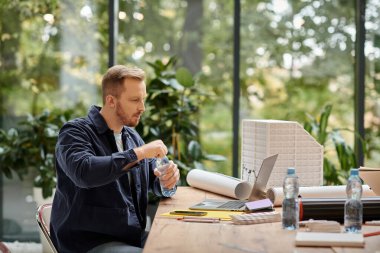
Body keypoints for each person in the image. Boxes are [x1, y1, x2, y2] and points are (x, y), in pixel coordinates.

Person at [50, 65, 180, 253]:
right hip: (88, 243)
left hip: (130, 237)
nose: (142, 108)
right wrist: (140, 153)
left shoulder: (133, 137)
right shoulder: (74, 132)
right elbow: (84, 172)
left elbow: (154, 178)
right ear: (111, 100)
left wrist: (166, 180)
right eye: (135, 100)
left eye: (143, 100)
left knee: (184, 246)